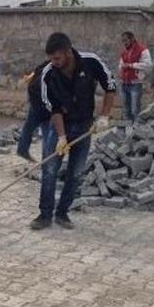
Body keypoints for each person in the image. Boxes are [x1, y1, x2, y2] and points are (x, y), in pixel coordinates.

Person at [32, 32, 116, 230]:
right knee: (50, 170)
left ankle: (62, 213)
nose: (54, 62)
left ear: (68, 52)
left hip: (84, 125)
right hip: (59, 125)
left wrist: (104, 116)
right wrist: (61, 137)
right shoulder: (48, 74)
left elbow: (110, 86)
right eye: (51, 58)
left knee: (76, 173)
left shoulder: (91, 62)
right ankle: (44, 215)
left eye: (57, 58)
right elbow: (54, 108)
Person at [15, 60, 51, 162]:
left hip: (35, 98)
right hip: (44, 102)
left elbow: (35, 72)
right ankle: (47, 161)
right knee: (47, 132)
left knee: (29, 126)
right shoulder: (59, 66)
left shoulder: (47, 63)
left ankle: (22, 149)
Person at [118, 31, 151, 121]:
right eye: (123, 41)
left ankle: (135, 131)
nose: (124, 43)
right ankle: (126, 131)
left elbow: (147, 65)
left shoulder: (142, 50)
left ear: (132, 39)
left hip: (135, 84)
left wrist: (131, 65)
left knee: (134, 110)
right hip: (124, 83)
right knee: (125, 110)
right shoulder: (124, 52)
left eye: (126, 41)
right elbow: (121, 64)